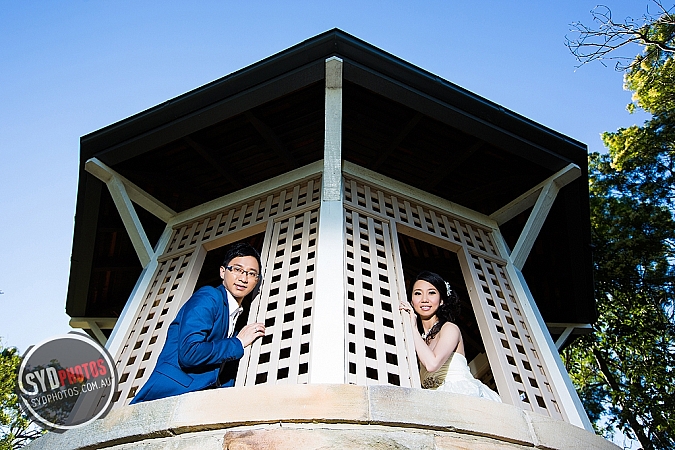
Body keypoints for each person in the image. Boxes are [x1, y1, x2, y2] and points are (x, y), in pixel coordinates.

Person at [130, 242, 265, 403]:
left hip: (200, 400)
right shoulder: (209, 296)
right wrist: (238, 343)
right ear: (223, 272)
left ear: (257, 281)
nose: (243, 278)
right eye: (237, 269)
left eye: (251, 273)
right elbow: (190, 352)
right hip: (168, 394)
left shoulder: (234, 317)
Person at [400, 271, 501, 402]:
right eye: (418, 293)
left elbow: (432, 364)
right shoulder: (420, 340)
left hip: (460, 395)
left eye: (431, 292)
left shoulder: (449, 328)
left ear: (441, 300)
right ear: (412, 301)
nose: (424, 299)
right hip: (432, 399)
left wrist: (413, 328)